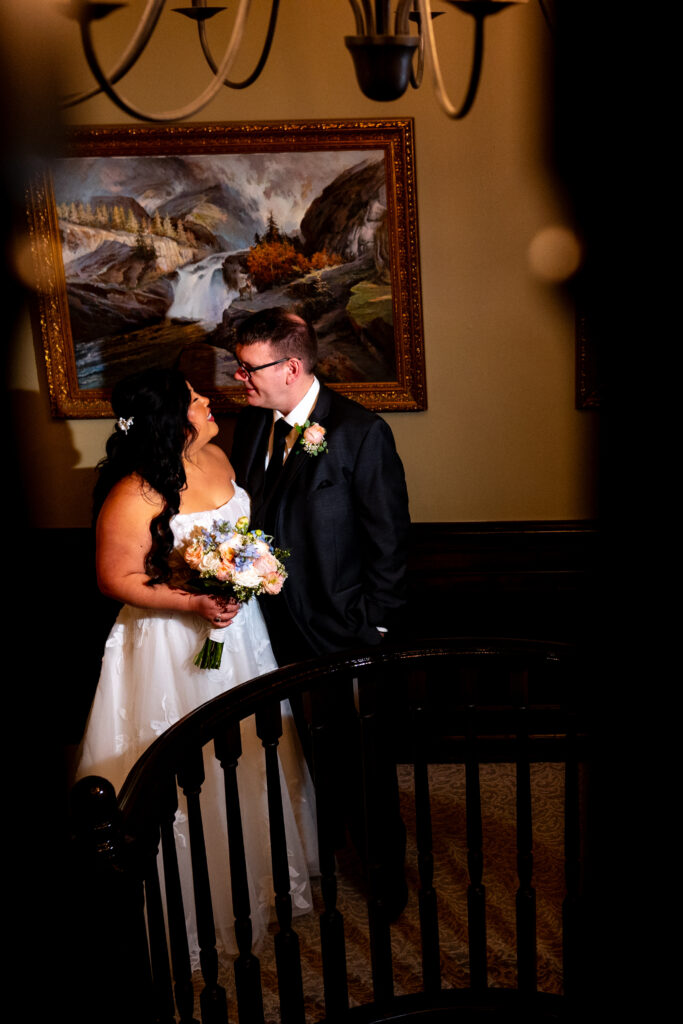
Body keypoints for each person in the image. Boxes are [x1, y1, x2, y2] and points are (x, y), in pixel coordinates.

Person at [74, 367, 318, 964]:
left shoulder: (216, 458)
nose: (209, 400)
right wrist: (194, 600)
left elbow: (238, 536)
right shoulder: (135, 493)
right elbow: (116, 579)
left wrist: (247, 570)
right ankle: (184, 904)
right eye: (194, 398)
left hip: (237, 634)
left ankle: (256, 879)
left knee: (248, 749)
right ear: (170, 421)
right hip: (169, 643)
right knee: (182, 761)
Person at [230, 307, 410, 918]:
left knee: (364, 759)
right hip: (272, 632)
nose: (240, 381)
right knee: (305, 750)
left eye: (249, 369)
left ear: (293, 366)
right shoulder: (252, 428)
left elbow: (388, 541)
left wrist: (375, 628)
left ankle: (385, 875)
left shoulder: (361, 432)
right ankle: (324, 849)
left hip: (345, 630)